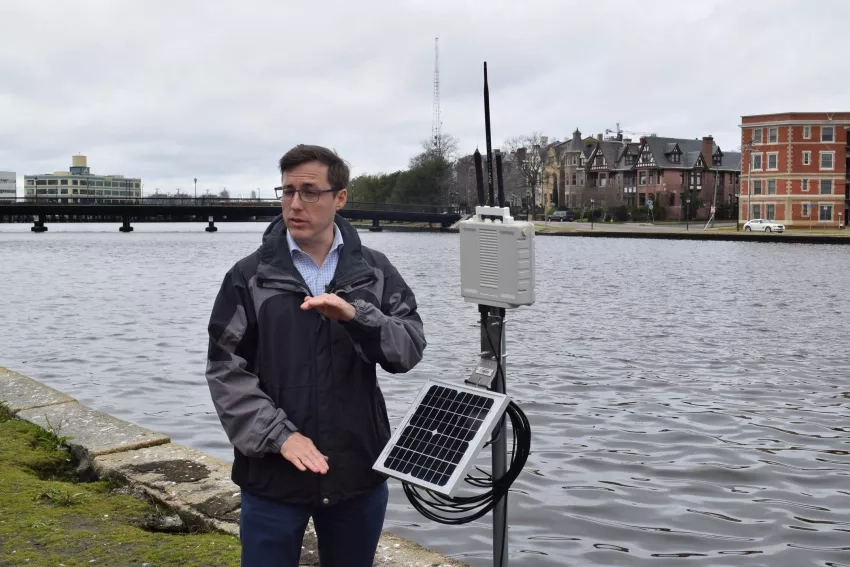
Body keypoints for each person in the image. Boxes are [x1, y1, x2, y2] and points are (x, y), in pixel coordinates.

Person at [204, 144, 427, 567]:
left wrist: (357, 316)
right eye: (287, 191)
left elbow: (409, 348)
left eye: (309, 191)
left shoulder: (374, 272)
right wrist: (280, 436)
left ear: (339, 198)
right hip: (272, 473)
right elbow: (225, 370)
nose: (294, 204)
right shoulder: (248, 277)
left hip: (356, 471)